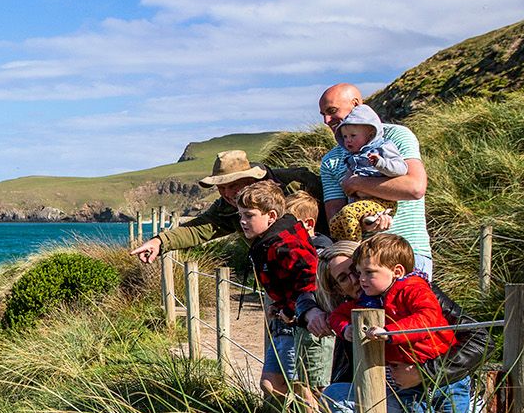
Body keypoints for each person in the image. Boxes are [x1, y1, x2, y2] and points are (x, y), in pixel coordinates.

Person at [313, 241, 488, 413]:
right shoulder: (356, 313)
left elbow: (480, 339)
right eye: (345, 277)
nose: (358, 280)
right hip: (402, 398)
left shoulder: (415, 292)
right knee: (334, 396)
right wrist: (309, 312)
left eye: (361, 271)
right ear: (337, 289)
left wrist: (424, 373)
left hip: (448, 388)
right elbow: (304, 294)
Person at [317, 84, 433, 276]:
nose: (327, 120)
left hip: (409, 253)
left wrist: (356, 183)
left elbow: (414, 188)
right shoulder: (331, 160)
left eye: (331, 111)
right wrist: (362, 222)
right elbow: (336, 221)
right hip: (363, 262)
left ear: (355, 104)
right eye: (323, 114)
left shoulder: (395, 136)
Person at [132, 150, 324, 264]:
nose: (227, 193)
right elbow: (199, 229)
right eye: (221, 187)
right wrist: (159, 242)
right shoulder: (228, 208)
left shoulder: (295, 185)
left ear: (251, 179)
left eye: (233, 185)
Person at [236, 181, 319, 413]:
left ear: (271, 216)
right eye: (240, 214)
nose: (242, 221)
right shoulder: (271, 241)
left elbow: (310, 278)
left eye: (249, 215)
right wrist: (281, 305)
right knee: (271, 384)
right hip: (284, 321)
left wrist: (293, 310)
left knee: (304, 389)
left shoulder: (286, 243)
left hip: (300, 325)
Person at [284, 190, 333, 413]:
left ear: (308, 224)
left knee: (316, 386)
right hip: (305, 324)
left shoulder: (319, 252)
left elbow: (313, 289)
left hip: (318, 328)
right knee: (303, 383)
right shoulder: (303, 249)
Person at [330, 104, 406, 242]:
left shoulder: (383, 148)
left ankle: (354, 247)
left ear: (370, 134)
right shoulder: (352, 156)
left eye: (353, 135)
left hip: (382, 201)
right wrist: (347, 182)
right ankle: (342, 247)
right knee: (335, 223)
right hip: (361, 202)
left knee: (348, 214)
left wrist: (380, 163)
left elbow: (401, 168)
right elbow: (348, 181)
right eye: (345, 136)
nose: (348, 140)